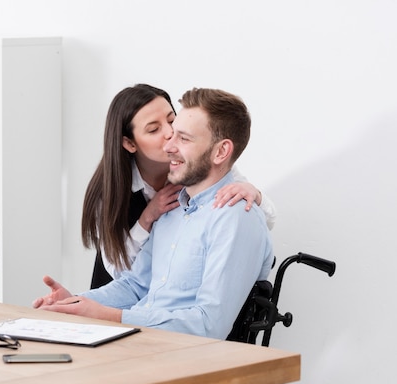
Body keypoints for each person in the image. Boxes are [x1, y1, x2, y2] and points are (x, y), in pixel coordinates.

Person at [33, 87, 274, 340]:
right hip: (140, 341)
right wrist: (72, 302)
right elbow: (135, 285)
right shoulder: (172, 209)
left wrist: (112, 316)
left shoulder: (235, 216)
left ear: (220, 152)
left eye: (183, 137)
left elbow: (209, 325)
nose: (168, 145)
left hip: (180, 355)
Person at [81, 84, 276, 290]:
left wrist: (254, 194)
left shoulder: (198, 164)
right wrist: (148, 217)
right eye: (154, 129)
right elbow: (117, 270)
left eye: (172, 120)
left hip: (166, 298)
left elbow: (267, 218)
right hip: (117, 296)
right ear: (129, 143)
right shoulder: (110, 189)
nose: (169, 133)